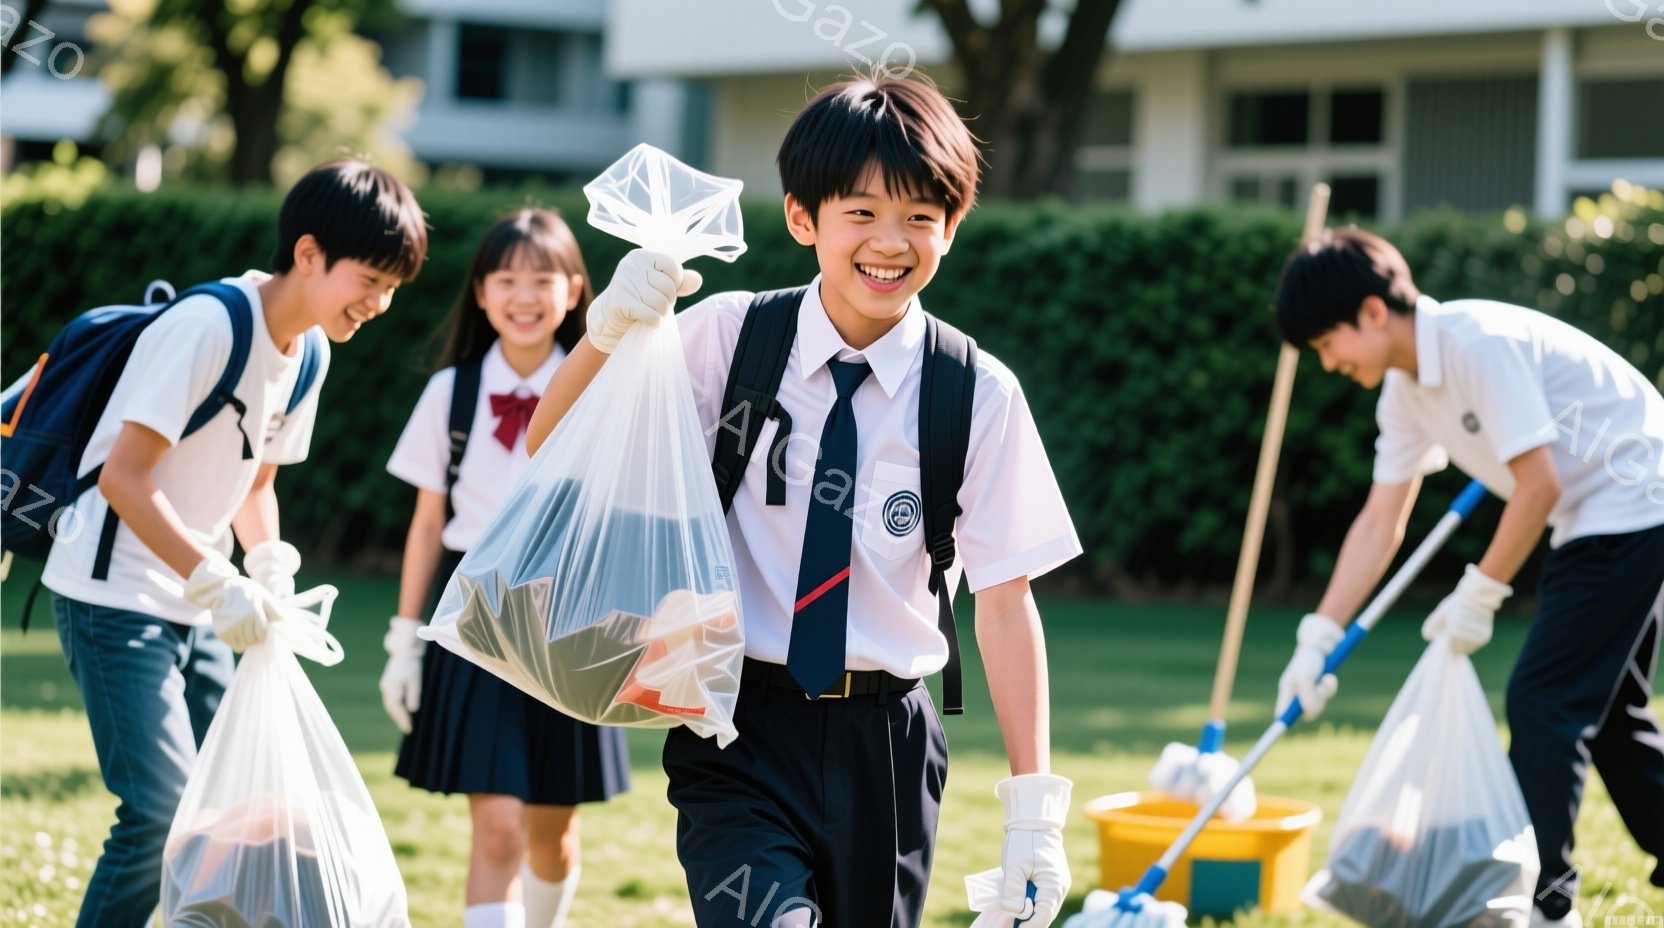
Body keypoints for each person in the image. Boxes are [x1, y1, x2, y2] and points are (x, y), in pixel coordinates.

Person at [527, 74, 1082, 928]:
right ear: (801, 218)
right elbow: (550, 446)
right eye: (860, 212)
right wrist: (610, 329)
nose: (889, 242)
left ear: (953, 227)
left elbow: (1006, 603)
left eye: (919, 217)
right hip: (738, 725)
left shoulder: (977, 393)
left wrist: (1034, 817)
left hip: (888, 743)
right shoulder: (731, 337)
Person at [40, 159, 428, 926]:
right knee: (158, 816)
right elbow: (125, 476)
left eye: (393, 288)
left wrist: (268, 567)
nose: (380, 304)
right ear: (309, 253)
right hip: (113, 597)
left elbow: (256, 484)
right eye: (370, 280)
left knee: (247, 804)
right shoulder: (208, 326)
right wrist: (218, 581)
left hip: (201, 606)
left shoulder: (308, 352)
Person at [1271, 228, 1664, 928]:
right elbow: (1379, 520)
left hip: (1636, 495)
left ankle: (1543, 906)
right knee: (1606, 718)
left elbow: (1535, 485)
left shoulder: (1473, 342)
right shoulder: (1403, 392)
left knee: (1543, 700)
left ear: (1370, 312)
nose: (1329, 364)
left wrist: (1480, 592)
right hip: (1597, 509)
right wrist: (1317, 635)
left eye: (1328, 345)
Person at [381, 208, 630, 928]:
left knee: (551, 838)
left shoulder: (602, 389)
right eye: (507, 279)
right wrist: (404, 640)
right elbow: (427, 523)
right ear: (482, 293)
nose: (525, 295)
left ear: (576, 289)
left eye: (543, 278)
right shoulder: (449, 393)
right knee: (495, 828)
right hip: (475, 613)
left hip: (572, 610)